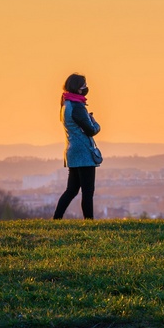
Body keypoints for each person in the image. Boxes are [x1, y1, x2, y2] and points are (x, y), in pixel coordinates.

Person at [53, 73, 101, 220]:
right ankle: (89, 221)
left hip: (71, 151)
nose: (85, 88)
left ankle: (57, 218)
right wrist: (94, 121)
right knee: (88, 191)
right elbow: (91, 130)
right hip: (84, 153)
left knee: (71, 190)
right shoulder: (77, 106)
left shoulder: (65, 104)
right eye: (83, 85)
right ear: (77, 87)